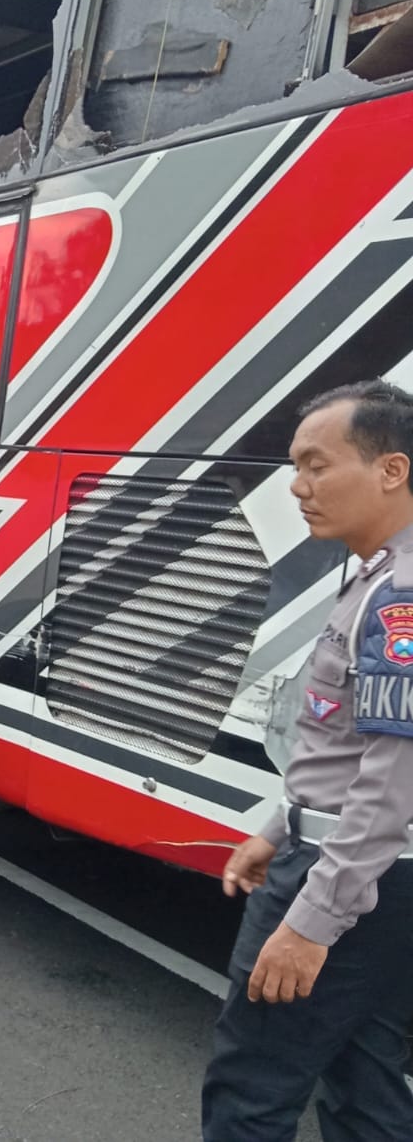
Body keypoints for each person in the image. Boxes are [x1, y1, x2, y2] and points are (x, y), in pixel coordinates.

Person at [203, 380, 413, 1141]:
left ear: (391, 470)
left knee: (252, 1087)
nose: (296, 486)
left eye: (316, 465)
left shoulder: (399, 598)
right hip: (372, 874)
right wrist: (275, 825)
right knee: (364, 1076)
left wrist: (312, 923)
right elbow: (347, 747)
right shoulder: (378, 574)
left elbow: (392, 785)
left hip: (348, 876)